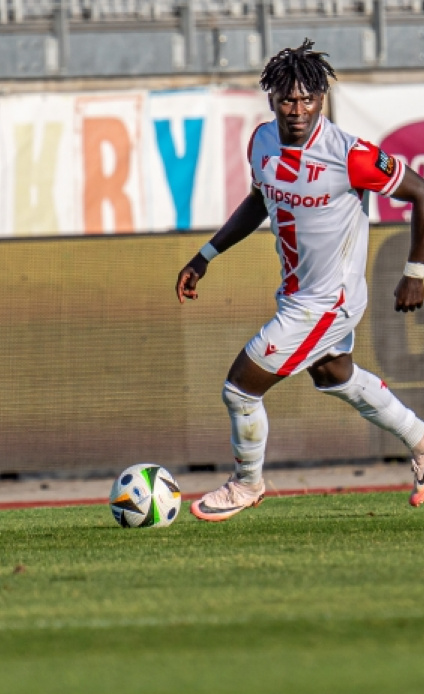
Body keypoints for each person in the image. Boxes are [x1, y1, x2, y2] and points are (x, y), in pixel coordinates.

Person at [175, 39, 424, 523]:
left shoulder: (349, 155)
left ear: (321, 100)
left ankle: (247, 483)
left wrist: (416, 271)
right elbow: (258, 201)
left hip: (328, 302)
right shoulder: (262, 143)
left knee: (240, 389)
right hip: (298, 296)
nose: (297, 109)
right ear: (271, 100)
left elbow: (423, 194)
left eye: (307, 99)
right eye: (287, 99)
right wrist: (206, 255)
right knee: (335, 375)